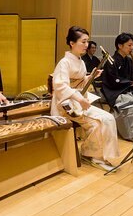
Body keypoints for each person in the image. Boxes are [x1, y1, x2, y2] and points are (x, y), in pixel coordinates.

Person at [51, 26, 120, 171]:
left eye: (87, 41)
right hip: (66, 105)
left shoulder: (81, 62)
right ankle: (93, 156)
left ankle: (95, 155)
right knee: (99, 122)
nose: (86, 45)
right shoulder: (64, 63)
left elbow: (81, 83)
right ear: (72, 43)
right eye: (83, 42)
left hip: (78, 102)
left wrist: (91, 76)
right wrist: (80, 99)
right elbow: (60, 87)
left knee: (107, 118)